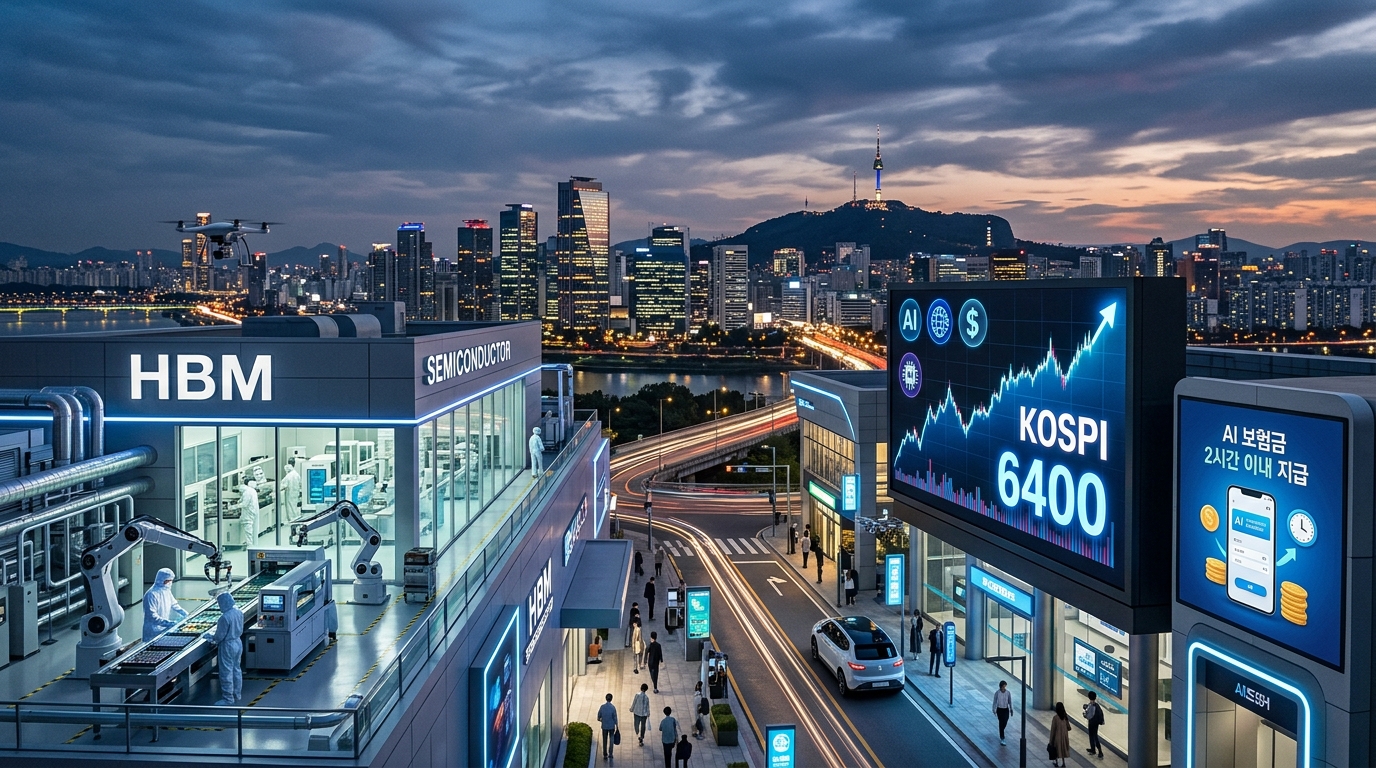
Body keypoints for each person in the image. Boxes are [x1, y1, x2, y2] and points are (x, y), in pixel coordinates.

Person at [208, 591, 244, 705]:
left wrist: (211, 638)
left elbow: (219, 636)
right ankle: (237, 694)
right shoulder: (239, 612)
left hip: (228, 645)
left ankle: (228, 699)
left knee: (226, 671)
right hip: (238, 642)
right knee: (236, 669)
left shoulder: (224, 617)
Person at [142, 568, 188, 641]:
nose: (170, 583)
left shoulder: (166, 591)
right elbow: (152, 616)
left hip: (163, 628)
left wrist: (185, 613)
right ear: (164, 580)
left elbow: (174, 605)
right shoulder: (151, 594)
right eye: (169, 581)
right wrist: (168, 623)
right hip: (153, 631)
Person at [1048, 702, 1071, 766]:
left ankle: (1056, 762)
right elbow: (1069, 727)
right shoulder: (1065, 717)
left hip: (1057, 737)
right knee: (1063, 749)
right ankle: (1063, 763)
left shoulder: (1055, 718)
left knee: (1056, 749)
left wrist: (1051, 741)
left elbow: (1053, 730)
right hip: (1064, 736)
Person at [597, 693, 619, 762]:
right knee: (611, 740)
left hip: (604, 727)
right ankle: (610, 753)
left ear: (606, 698)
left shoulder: (602, 707)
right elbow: (615, 718)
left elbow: (598, 717)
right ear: (611, 699)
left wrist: (601, 720)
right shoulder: (613, 708)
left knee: (604, 740)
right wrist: (617, 725)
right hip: (611, 727)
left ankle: (605, 754)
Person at [239, 478, 260, 548]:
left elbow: (244, 504)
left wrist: (233, 507)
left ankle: (250, 545)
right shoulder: (250, 491)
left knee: (249, 531)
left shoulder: (248, 491)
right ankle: (251, 545)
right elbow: (243, 501)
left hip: (248, 514)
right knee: (251, 531)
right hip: (252, 513)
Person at [1084, 691, 1105, 758]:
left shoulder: (1091, 706)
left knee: (1093, 736)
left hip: (1092, 723)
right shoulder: (1096, 705)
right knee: (1094, 736)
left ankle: (1098, 751)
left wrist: (1085, 715)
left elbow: (1089, 715)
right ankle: (1094, 749)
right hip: (1096, 724)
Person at [993, 680, 1013, 745]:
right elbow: (995, 701)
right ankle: (1002, 737)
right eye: (1003, 686)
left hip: (1006, 709)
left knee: (1005, 721)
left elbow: (1010, 701)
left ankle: (1002, 730)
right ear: (1001, 686)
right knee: (1001, 722)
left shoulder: (1008, 693)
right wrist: (994, 709)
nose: (1004, 688)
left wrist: (1011, 709)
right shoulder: (997, 693)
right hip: (1000, 709)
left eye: (1005, 686)